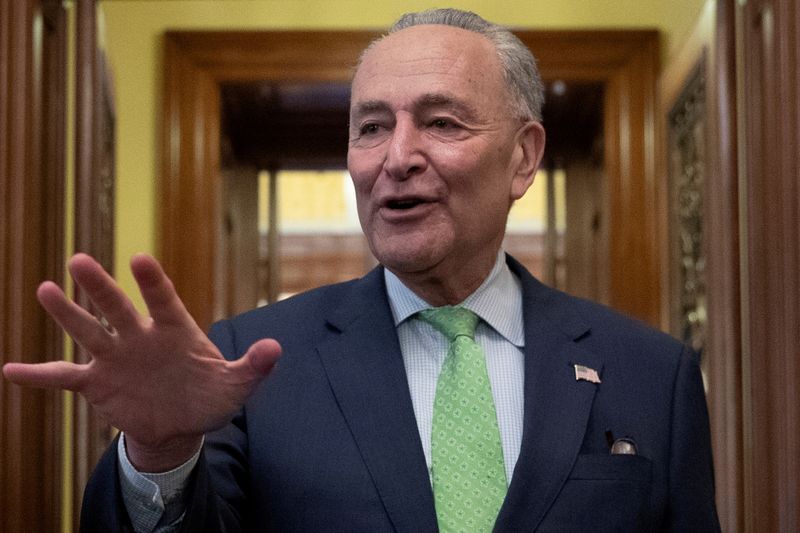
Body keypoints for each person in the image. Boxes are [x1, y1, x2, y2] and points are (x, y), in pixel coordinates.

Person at [3, 8, 721, 533]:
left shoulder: (653, 376)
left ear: (524, 156)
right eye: (372, 127)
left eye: (442, 123)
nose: (396, 156)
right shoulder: (252, 362)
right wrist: (159, 451)